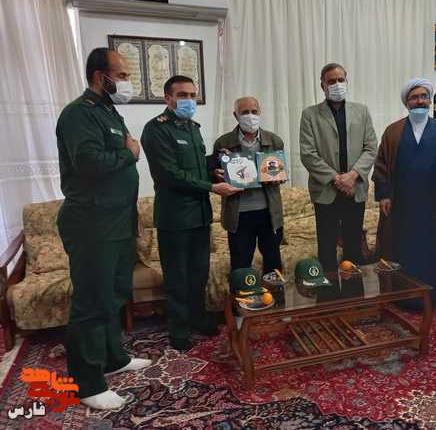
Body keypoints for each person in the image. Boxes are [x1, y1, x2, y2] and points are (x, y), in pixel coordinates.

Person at [56, 48, 151, 410]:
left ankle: (113, 358)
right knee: (92, 302)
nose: (127, 82)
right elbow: (89, 163)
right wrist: (130, 154)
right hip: (92, 222)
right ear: (101, 76)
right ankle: (87, 383)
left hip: (117, 219)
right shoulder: (78, 114)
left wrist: (128, 152)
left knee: (114, 294)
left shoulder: (109, 111)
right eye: (122, 75)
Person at [141, 75, 242, 352]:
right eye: (182, 95)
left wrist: (215, 165)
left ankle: (198, 319)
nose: (189, 100)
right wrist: (212, 186)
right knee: (177, 277)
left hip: (199, 215)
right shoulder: (156, 130)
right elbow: (169, 173)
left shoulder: (193, 128)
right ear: (168, 98)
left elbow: (194, 167)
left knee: (199, 273)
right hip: (175, 218)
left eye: (192, 95)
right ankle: (179, 330)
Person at [373, 78, 436, 302]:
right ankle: (403, 296)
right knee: (404, 249)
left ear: (430, 101)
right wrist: (384, 195)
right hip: (402, 204)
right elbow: (381, 166)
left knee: (432, 250)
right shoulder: (393, 131)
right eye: (414, 97)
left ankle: (433, 295)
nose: (420, 101)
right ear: (407, 102)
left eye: (424, 96)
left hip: (434, 206)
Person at [299, 63, 378, 272]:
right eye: (331, 81)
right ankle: (329, 292)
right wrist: (337, 180)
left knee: (354, 251)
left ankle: (354, 291)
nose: (337, 84)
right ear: (322, 85)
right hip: (326, 192)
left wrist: (353, 176)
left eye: (340, 80)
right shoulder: (310, 115)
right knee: (326, 251)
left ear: (346, 81)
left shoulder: (361, 111)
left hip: (355, 189)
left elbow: (371, 148)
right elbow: (308, 154)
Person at [212, 96, 285, 273]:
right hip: (239, 215)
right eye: (245, 112)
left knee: (273, 264)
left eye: (254, 111)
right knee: (240, 265)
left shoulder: (274, 140)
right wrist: (216, 175)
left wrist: (280, 177)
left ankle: (275, 291)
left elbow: (280, 171)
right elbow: (214, 174)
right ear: (235, 115)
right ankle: (241, 292)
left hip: (269, 213)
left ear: (260, 113)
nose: (250, 116)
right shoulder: (223, 143)